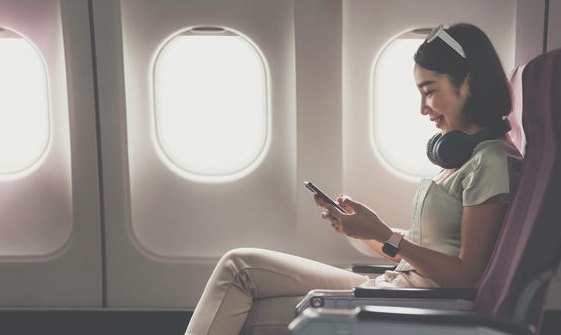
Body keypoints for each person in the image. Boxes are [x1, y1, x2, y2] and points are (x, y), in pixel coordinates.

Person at [184, 23, 523, 335]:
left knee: (243, 285)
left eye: (429, 90)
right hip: (397, 287)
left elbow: (465, 276)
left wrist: (382, 232)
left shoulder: (488, 161)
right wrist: (361, 229)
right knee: (241, 268)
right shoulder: (464, 154)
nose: (423, 107)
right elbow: (427, 253)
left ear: (469, 82)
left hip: (413, 304)